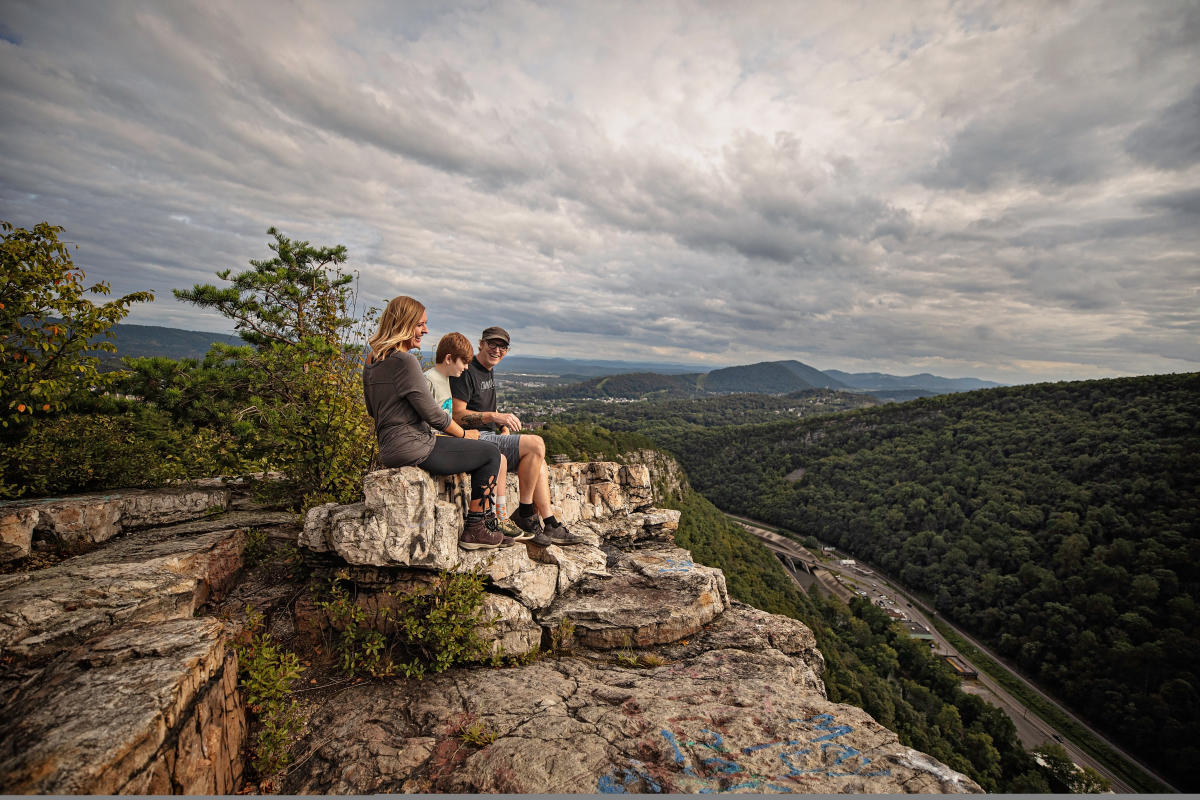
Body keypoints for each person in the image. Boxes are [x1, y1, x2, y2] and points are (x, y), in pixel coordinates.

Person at [363, 296, 513, 550]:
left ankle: (488, 525)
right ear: (404, 323)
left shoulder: (372, 361)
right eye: (420, 324)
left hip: (389, 447)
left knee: (484, 451)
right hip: (414, 445)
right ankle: (477, 527)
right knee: (490, 453)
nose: (425, 330)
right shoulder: (404, 361)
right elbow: (433, 414)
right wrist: (464, 435)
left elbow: (371, 409)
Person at [450, 325, 587, 547]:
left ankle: (549, 522)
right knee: (536, 443)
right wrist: (494, 416)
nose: (497, 350)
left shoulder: (488, 370)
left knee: (538, 459)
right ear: (481, 344)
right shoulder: (467, 370)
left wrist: (500, 428)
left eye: (503, 346)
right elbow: (457, 415)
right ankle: (525, 514)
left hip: (489, 438)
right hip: (472, 440)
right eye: (492, 344)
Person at [423, 332, 519, 535]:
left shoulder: (445, 380)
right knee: (492, 454)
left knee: (498, 457)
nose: (466, 368)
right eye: (463, 363)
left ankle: (495, 518)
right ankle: (480, 524)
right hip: (436, 444)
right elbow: (434, 420)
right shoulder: (430, 380)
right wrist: (465, 436)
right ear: (449, 359)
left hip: (447, 440)